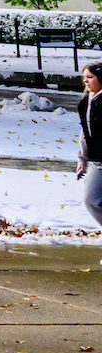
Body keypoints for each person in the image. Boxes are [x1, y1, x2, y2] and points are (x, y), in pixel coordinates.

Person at [78, 63, 102, 229]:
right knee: (91, 201)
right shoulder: (86, 100)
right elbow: (85, 132)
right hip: (96, 160)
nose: (86, 80)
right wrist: (82, 159)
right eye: (84, 77)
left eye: (90, 77)